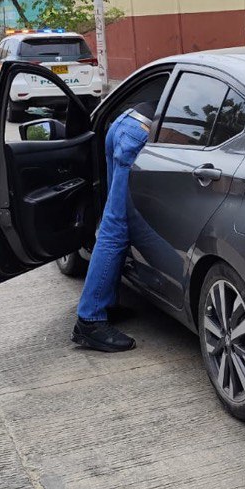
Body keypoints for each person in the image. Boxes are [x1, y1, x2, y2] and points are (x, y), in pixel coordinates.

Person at [71, 104, 154, 352]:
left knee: (113, 221)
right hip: (139, 133)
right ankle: (90, 320)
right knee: (116, 228)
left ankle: (105, 303)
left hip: (124, 122)